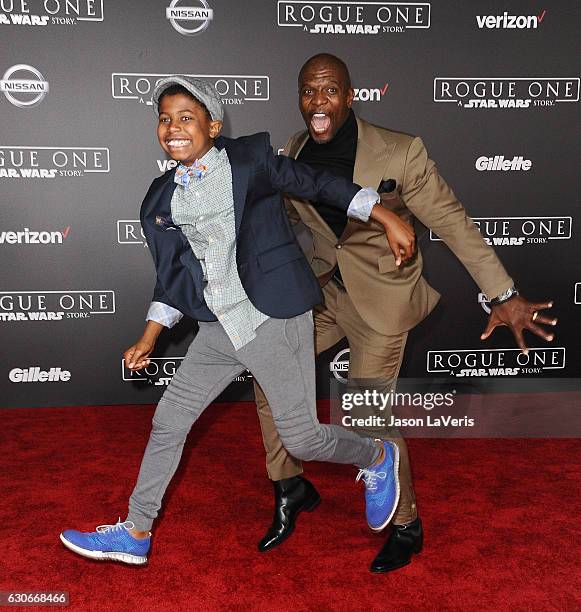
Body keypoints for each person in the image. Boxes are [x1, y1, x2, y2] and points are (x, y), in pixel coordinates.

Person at [59, 76, 417, 565]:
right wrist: (149, 337)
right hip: (218, 328)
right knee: (168, 421)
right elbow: (171, 279)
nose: (174, 127)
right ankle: (136, 532)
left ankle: (377, 457)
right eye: (165, 118)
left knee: (302, 439)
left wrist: (384, 214)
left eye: (187, 117)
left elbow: (316, 183)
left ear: (213, 124)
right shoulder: (160, 199)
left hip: (271, 317)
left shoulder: (249, 162)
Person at [254, 54, 558, 573]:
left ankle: (407, 525)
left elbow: (454, 222)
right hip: (325, 294)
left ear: (351, 96)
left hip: (382, 304)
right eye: (308, 92)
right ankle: (291, 486)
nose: (317, 102)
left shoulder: (400, 150)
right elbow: (289, 219)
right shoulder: (295, 150)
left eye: (329, 91)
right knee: (270, 375)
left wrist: (502, 293)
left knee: (368, 414)